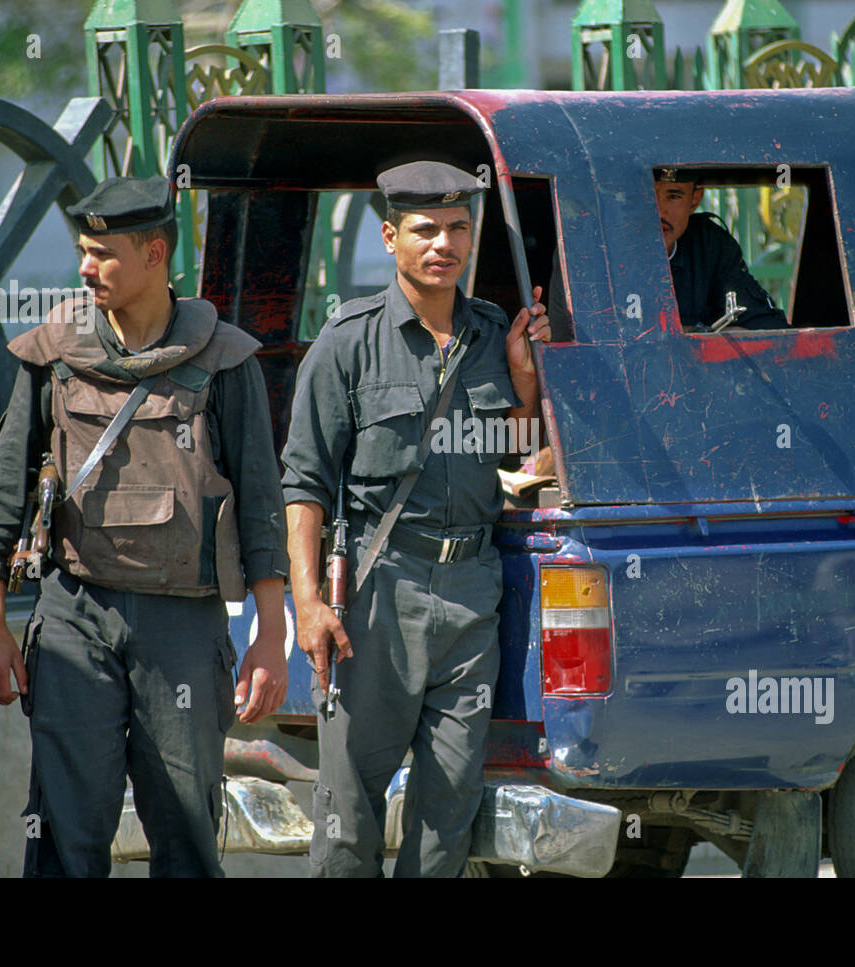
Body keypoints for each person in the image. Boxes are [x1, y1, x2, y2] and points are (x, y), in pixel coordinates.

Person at [0, 176, 289, 878]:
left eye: (103, 253)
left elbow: (263, 506)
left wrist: (269, 635)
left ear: (154, 254)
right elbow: (3, 492)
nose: (86, 267)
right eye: (83, 250)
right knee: (64, 840)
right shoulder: (50, 354)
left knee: (187, 840)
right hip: (76, 614)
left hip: (184, 627)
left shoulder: (226, 360)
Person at [280, 161, 551, 877]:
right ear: (390, 236)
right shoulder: (347, 341)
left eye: (459, 227)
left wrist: (524, 384)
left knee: (448, 813)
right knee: (348, 816)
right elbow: (302, 482)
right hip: (377, 592)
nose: (444, 243)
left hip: (473, 588)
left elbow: (517, 462)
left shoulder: (495, 334)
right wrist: (307, 604)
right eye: (425, 229)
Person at [654, 166, 787, 331]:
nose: (659, 211)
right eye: (646, 196)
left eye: (673, 196)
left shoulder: (708, 246)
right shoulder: (612, 256)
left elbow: (765, 328)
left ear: (694, 200)